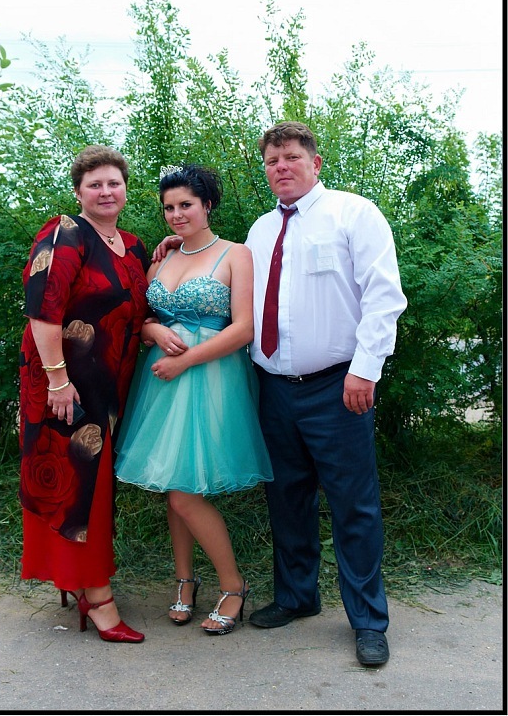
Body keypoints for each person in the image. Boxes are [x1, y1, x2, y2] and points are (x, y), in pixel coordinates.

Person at [154, 123, 407, 665]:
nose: (281, 167)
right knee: (287, 499)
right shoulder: (262, 230)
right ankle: (297, 596)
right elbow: (227, 283)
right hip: (273, 387)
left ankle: (368, 620)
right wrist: (178, 247)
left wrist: (365, 370)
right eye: (272, 161)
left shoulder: (353, 213)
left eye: (291, 157)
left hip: (338, 385)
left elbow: (384, 296)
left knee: (353, 505)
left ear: (315, 162)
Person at [114, 164, 273, 635]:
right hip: (160, 383)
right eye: (169, 207)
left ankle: (233, 585)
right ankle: (184, 580)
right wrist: (152, 331)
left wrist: (184, 362)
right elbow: (142, 319)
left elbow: (243, 328)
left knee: (185, 492)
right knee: (174, 483)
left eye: (186, 204)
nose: (177, 214)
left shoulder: (235, 254)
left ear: (207, 205)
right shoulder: (162, 258)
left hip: (208, 377)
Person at [19, 144, 149, 643]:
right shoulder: (65, 234)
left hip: (108, 390)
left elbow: (139, 308)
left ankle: (78, 581)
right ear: (79, 192)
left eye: (114, 182)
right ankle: (98, 598)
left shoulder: (133, 247)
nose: (105, 191)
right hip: (65, 388)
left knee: (94, 488)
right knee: (80, 493)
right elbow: (43, 311)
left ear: (125, 189)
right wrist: (57, 380)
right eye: (95, 184)